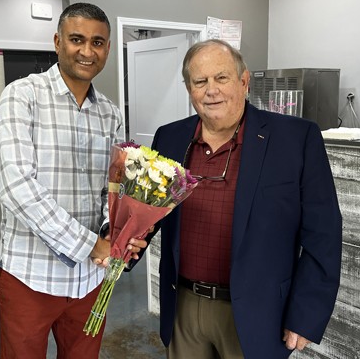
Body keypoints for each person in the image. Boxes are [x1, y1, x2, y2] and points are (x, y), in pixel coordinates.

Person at [129, 39, 342, 358]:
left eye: (221, 78)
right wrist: (118, 241)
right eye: (200, 81)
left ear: (244, 81)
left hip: (259, 313)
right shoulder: (170, 138)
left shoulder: (295, 139)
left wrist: (306, 313)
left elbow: (323, 234)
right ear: (190, 90)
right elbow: (142, 213)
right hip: (184, 306)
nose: (211, 90)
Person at [0, 2, 148, 359]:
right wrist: (93, 246)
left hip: (91, 280)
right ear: (57, 41)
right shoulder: (23, 95)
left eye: (98, 42)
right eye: (77, 39)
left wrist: (117, 234)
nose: (87, 50)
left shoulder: (110, 113)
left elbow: (114, 188)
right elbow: (16, 187)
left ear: (107, 48)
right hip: (30, 276)